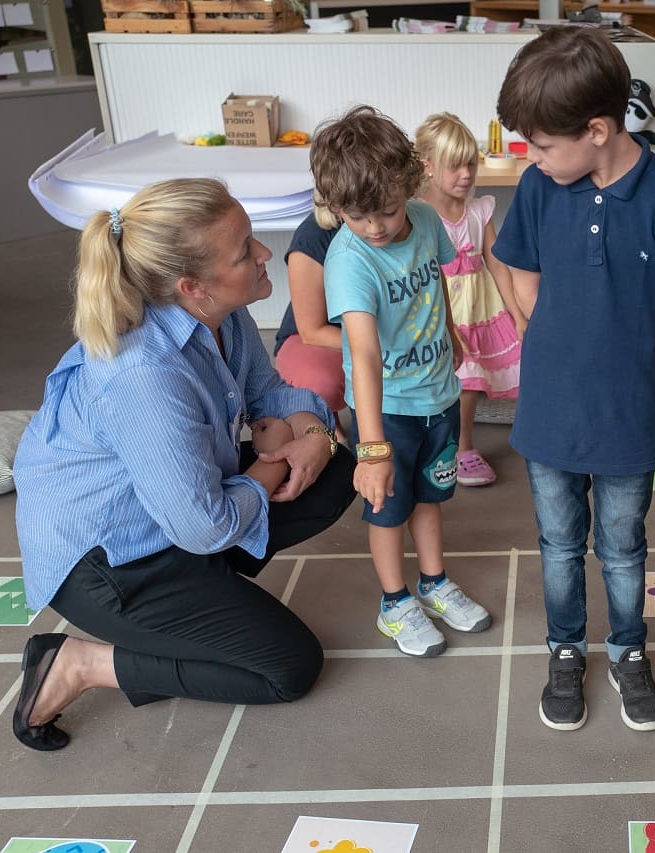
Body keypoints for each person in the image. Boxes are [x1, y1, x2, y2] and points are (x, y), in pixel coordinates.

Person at [11, 178, 357, 752]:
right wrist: (273, 465)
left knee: (337, 472)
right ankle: (79, 663)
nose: (265, 253)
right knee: (289, 667)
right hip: (111, 564)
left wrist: (317, 435)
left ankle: (202, 604)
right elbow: (207, 526)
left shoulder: (219, 315)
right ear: (191, 285)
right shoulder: (143, 375)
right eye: (246, 249)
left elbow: (271, 394)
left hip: (174, 514)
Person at [493, 27, 655, 732]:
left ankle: (626, 649)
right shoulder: (538, 187)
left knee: (621, 544)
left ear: (597, 130)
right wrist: (553, 343)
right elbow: (518, 271)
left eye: (542, 144)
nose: (532, 157)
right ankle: (566, 649)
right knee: (559, 542)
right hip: (549, 415)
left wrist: (634, 363)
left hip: (627, 416)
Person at [315, 105, 492, 659]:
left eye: (387, 212)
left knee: (431, 497)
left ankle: (434, 583)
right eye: (357, 216)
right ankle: (395, 602)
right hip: (386, 409)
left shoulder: (427, 220)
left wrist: (453, 337)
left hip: (438, 393)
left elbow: (435, 280)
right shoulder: (349, 262)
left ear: (409, 183)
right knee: (389, 507)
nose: (375, 228)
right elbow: (363, 355)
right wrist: (371, 451)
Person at [415, 112, 526, 487]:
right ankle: (452, 447)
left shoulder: (479, 211)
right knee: (458, 380)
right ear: (428, 167)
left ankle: (464, 448)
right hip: (441, 312)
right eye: (455, 166)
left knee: (476, 379)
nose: (466, 174)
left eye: (471, 164)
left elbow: (496, 262)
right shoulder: (419, 214)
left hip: (482, 310)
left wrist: (517, 313)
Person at [272, 199, 346, 436]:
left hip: (378, 328)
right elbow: (312, 330)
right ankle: (325, 426)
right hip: (318, 336)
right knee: (322, 384)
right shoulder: (312, 235)